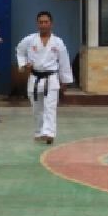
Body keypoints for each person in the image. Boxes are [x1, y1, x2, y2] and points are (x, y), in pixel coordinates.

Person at [16, 11, 73, 144]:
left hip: (51, 78)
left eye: (46, 22)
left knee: (50, 107)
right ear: (37, 24)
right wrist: (25, 64)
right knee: (37, 108)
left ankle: (49, 133)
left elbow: (64, 61)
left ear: (51, 24)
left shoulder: (58, 42)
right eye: (40, 22)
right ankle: (39, 131)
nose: (43, 25)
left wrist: (65, 81)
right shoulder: (29, 40)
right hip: (35, 78)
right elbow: (19, 51)